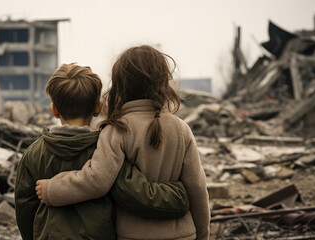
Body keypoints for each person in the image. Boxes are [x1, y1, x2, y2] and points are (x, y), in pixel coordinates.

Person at [36, 46, 211, 240]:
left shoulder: (116, 130)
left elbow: (96, 181)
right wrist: (203, 235)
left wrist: (52, 190)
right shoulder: (181, 129)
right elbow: (197, 189)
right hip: (183, 235)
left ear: (119, 86)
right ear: (163, 83)